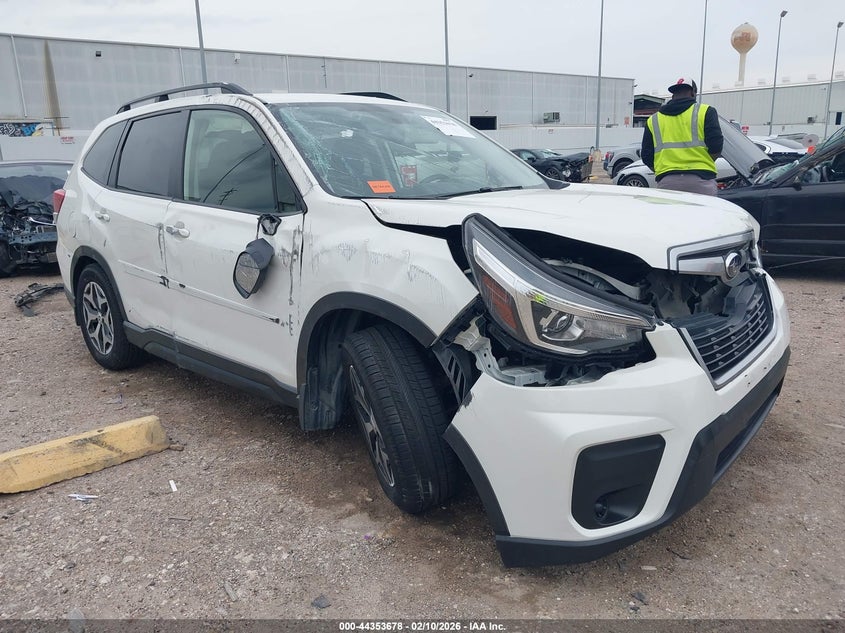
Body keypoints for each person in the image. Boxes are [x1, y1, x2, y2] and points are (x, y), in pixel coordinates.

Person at [641, 76, 723, 195]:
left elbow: (647, 156)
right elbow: (716, 146)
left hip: (667, 184)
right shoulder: (706, 112)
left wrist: (664, 171)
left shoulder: (653, 120)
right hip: (701, 181)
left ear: (673, 95)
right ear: (693, 93)